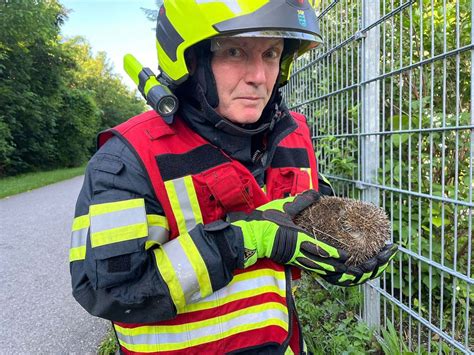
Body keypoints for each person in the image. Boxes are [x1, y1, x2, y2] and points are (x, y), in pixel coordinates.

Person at [69, 1, 398, 354]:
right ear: (191, 61)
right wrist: (246, 240)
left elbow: (300, 233)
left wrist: (340, 252)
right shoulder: (129, 158)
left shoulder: (293, 137)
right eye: (235, 51)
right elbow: (112, 293)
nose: (259, 76)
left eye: (271, 53)